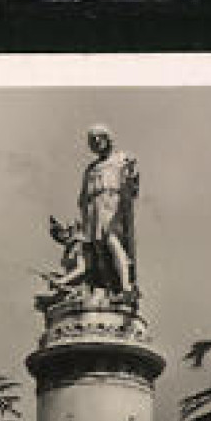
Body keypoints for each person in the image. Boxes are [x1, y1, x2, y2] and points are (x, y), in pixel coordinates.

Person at [77, 124, 139, 296]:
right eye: (93, 140)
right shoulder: (91, 169)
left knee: (112, 240)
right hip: (94, 207)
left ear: (107, 138)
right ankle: (110, 288)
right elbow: (83, 197)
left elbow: (132, 184)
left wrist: (132, 173)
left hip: (112, 204)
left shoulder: (121, 159)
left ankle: (126, 286)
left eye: (99, 137)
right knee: (98, 248)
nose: (97, 142)